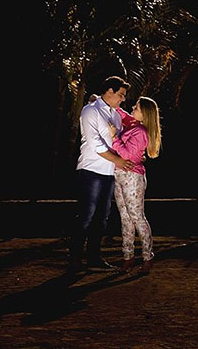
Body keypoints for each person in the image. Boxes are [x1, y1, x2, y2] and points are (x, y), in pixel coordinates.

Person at [68, 76, 134, 273]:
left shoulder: (115, 116)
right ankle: (75, 258)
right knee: (86, 215)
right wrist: (118, 160)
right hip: (91, 170)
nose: (123, 99)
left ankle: (94, 257)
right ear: (109, 91)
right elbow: (95, 143)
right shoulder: (91, 110)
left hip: (108, 173)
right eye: (120, 94)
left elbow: (119, 140)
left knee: (102, 217)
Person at [109, 96, 162, 274]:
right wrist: (105, 102)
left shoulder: (140, 131)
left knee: (137, 217)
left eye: (137, 107)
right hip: (119, 174)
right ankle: (128, 256)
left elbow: (127, 156)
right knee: (125, 218)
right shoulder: (133, 125)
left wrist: (114, 137)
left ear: (144, 114)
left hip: (132, 177)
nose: (133, 107)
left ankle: (147, 257)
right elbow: (123, 114)